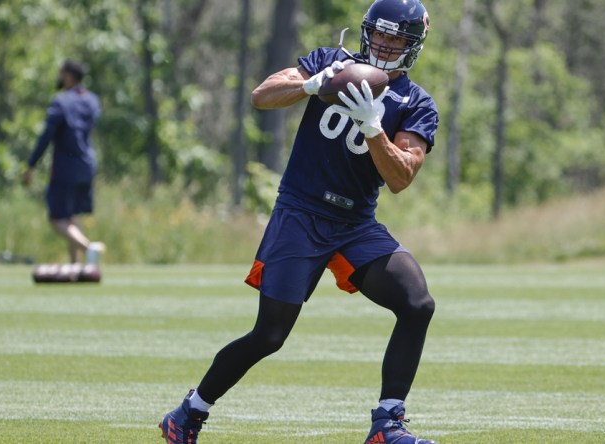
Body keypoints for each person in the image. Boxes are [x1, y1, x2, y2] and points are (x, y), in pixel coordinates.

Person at [160, 1, 438, 443]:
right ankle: (189, 412)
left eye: (396, 38)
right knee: (270, 334)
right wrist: (310, 84)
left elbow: (401, 176)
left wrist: (373, 128)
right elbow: (261, 96)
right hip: (301, 213)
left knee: (417, 304)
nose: (385, 44)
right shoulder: (334, 62)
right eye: (379, 35)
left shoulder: (416, 102)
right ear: (367, 33)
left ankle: (387, 424)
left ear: (413, 45)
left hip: (355, 223)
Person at [24, 60, 104, 265]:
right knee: (72, 216)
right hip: (87, 164)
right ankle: (75, 266)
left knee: (57, 218)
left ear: (68, 76)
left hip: (65, 166)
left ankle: (88, 248)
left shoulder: (61, 101)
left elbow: (47, 136)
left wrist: (31, 164)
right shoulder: (92, 101)